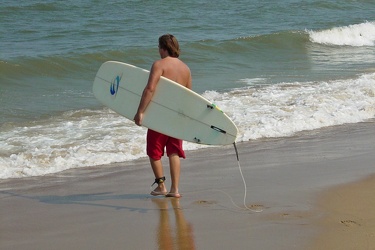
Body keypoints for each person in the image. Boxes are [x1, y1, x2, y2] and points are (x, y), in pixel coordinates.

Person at [134, 34, 192, 198]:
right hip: (177, 116)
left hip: (160, 115)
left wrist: (140, 111)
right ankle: (175, 189)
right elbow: (189, 96)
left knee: (154, 151)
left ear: (163, 48)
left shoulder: (159, 65)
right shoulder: (186, 69)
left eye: (159, 48)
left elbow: (150, 89)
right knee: (174, 152)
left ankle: (161, 186)